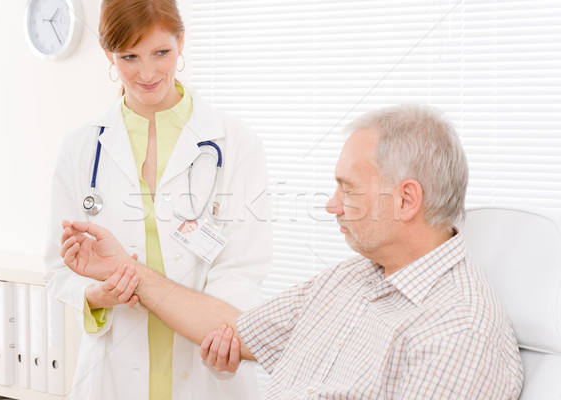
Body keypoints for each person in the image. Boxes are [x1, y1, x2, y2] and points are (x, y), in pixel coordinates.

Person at [60, 104, 524, 399]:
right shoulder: (353, 278)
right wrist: (127, 271)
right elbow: (235, 332)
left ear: (406, 200)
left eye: (347, 188)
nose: (331, 205)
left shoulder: (456, 329)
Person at [44, 1, 272, 399]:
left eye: (161, 53)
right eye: (129, 57)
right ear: (108, 54)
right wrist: (96, 296)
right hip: (113, 369)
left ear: (181, 42)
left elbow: (243, 265)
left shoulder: (235, 142)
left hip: (205, 365)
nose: (147, 73)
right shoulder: (81, 149)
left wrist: (219, 332)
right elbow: (59, 269)